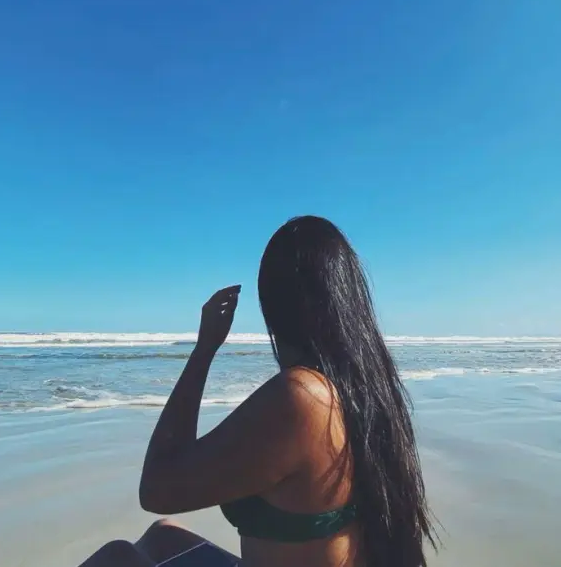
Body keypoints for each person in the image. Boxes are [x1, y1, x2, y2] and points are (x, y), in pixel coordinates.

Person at [80, 216, 436, 567]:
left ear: (275, 304)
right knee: (163, 534)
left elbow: (156, 488)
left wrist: (203, 351)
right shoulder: (364, 390)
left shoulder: (301, 397)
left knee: (117, 556)